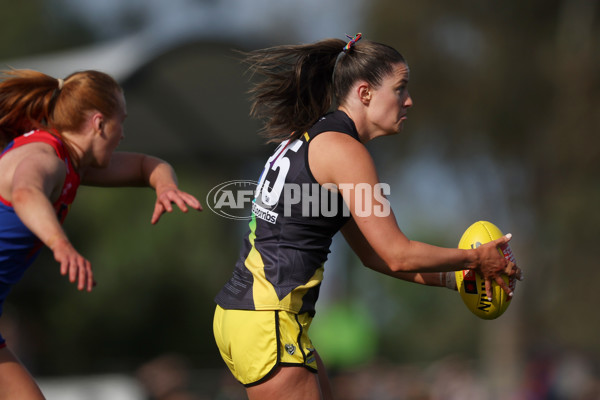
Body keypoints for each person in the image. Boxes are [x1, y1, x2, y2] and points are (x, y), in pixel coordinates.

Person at [212, 34, 522, 400]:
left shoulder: (315, 138)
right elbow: (398, 252)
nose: (409, 100)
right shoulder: (345, 152)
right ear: (365, 93)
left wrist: (456, 280)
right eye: (400, 88)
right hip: (268, 320)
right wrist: (476, 257)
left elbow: (374, 255)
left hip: (247, 315)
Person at [0, 69, 202, 399]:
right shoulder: (46, 158)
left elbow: (146, 165)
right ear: (99, 123)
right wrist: (60, 244)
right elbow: (25, 193)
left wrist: (165, 187)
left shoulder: (69, 161)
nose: (122, 134)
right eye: (120, 121)